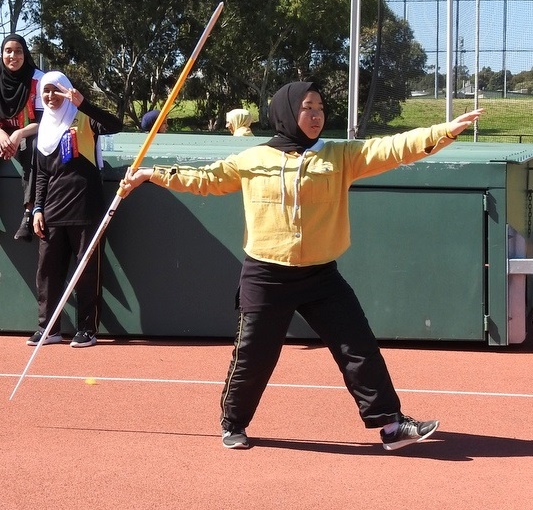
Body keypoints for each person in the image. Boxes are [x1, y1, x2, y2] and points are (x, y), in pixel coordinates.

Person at [120, 80, 484, 451]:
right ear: (287, 112)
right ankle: (233, 422)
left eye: (321, 109)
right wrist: (153, 173)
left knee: (357, 346)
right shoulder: (252, 159)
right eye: (307, 108)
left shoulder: (340, 156)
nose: (316, 116)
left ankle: (391, 425)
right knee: (253, 356)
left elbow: (391, 148)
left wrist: (444, 131)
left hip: (320, 275)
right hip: (265, 276)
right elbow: (207, 179)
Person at [28, 71, 122, 348]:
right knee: (47, 271)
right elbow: (42, 175)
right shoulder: (43, 128)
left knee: (87, 271)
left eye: (57, 91)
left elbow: (115, 125)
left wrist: (84, 104)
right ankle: (48, 328)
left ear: (67, 91)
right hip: (52, 212)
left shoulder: (85, 119)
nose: (51, 97)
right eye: (46, 92)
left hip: (86, 208)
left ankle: (86, 329)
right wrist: (37, 209)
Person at [0, 34, 44, 241]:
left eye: (18, 51)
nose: (13, 56)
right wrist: (1, 135)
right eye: (8, 51)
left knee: (34, 148)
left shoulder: (38, 79)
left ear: (25, 54)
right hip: (1, 133)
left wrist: (17, 134)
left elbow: (43, 122)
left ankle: (29, 214)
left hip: (28, 132)